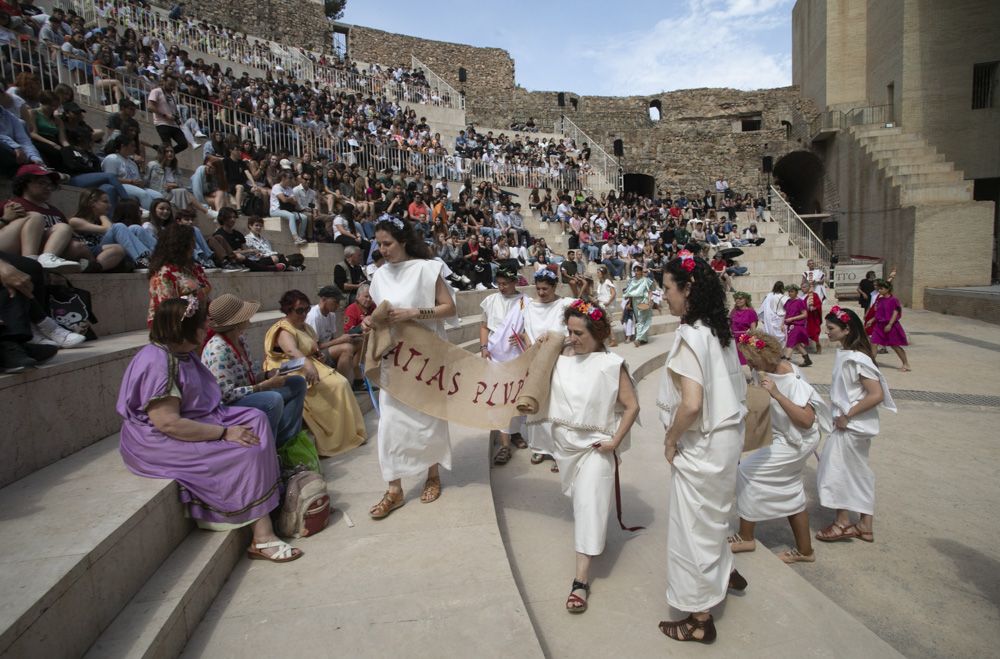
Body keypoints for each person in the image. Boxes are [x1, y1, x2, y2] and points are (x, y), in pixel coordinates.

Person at [117, 297, 301, 563]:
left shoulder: (179, 352)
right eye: (202, 327)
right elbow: (168, 423)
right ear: (184, 330)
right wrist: (224, 433)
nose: (206, 332)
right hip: (157, 439)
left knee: (257, 419)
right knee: (245, 450)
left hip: (198, 417)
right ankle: (262, 536)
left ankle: (267, 493)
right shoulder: (159, 363)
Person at [656, 249, 747, 644]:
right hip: (727, 441)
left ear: (688, 289)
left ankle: (698, 618)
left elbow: (691, 404)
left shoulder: (692, 336)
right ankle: (724, 571)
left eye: (667, 288)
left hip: (704, 444)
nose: (664, 296)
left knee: (692, 531)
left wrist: (671, 439)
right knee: (715, 519)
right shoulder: (717, 330)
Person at [525, 299, 639, 614]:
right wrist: (538, 345)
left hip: (596, 449)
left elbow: (632, 406)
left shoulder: (612, 364)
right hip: (565, 449)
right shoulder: (561, 359)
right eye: (570, 331)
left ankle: (580, 580)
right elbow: (531, 375)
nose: (572, 339)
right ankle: (591, 542)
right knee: (581, 502)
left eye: (579, 333)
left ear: (598, 332)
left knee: (588, 506)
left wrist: (614, 441)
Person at [365, 216, 457, 518]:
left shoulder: (427, 269)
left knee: (428, 417)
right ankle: (394, 489)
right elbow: (378, 313)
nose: (383, 249)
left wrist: (414, 312)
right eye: (379, 244)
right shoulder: (378, 276)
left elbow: (449, 308)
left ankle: (432, 475)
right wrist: (371, 321)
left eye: (388, 243)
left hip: (426, 355)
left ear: (402, 241)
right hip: (396, 357)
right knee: (389, 422)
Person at [728, 330, 831, 564]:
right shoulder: (760, 370)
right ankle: (805, 551)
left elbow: (806, 421)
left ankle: (746, 536)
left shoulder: (792, 378)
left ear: (766, 354)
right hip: (783, 436)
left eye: (752, 358)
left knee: (747, 471)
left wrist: (776, 394)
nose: (749, 363)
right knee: (791, 488)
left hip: (798, 440)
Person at [815, 306, 896, 544]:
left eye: (830, 328)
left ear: (847, 329)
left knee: (836, 472)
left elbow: (875, 394)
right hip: (848, 425)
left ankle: (842, 522)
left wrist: (847, 415)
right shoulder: (849, 355)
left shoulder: (857, 359)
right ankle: (864, 525)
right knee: (855, 472)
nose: (826, 332)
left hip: (851, 426)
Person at [263, 289, 367, 457]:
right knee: (337, 385)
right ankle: (335, 437)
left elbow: (315, 347)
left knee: (341, 383)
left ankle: (348, 433)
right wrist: (308, 364)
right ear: (288, 310)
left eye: (306, 309)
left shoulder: (305, 327)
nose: (304, 313)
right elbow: (292, 351)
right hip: (289, 368)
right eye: (299, 310)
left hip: (310, 363)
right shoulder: (283, 329)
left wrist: (316, 355)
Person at [201, 293, 307, 448]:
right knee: (273, 400)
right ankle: (267, 449)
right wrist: (264, 385)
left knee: (297, 383)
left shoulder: (240, 339)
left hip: (248, 392)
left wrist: (266, 375)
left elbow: (249, 374)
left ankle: (286, 441)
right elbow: (227, 395)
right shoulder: (219, 349)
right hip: (227, 406)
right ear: (237, 322)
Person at [520, 268, 574, 469]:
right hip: (535, 360)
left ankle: (559, 451)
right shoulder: (529, 306)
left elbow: (578, 327)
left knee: (558, 405)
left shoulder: (565, 304)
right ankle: (539, 448)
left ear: (555, 287)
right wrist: (528, 345)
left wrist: (560, 341)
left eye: (545, 289)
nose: (541, 293)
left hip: (559, 360)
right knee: (537, 403)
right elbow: (525, 330)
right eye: (538, 288)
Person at [479, 266, 528, 465]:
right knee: (500, 398)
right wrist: (483, 347)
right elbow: (484, 326)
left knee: (516, 397)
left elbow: (530, 328)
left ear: (514, 282)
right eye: (498, 284)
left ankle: (515, 432)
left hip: (517, 356)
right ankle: (505, 443)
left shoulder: (525, 302)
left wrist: (523, 337)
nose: (501, 287)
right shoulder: (491, 301)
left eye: (505, 284)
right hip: (495, 356)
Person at [68, 188, 154, 271]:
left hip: (106, 248)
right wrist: (103, 215)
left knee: (135, 228)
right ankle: (140, 260)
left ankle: (159, 256)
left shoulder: (100, 220)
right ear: (92, 203)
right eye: (105, 202)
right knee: (118, 226)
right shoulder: (75, 220)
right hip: (92, 251)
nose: (110, 205)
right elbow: (108, 229)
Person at [147, 223, 212, 325]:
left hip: (200, 321)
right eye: (191, 243)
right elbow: (167, 309)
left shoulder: (195, 268)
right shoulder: (164, 273)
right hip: (175, 325)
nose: (194, 246)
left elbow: (206, 298)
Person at [305, 284, 364, 389]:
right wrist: (341, 340)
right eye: (335, 302)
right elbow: (315, 348)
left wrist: (345, 338)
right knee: (346, 348)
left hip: (327, 348)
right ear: (324, 299)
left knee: (359, 341)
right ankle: (343, 387)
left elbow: (331, 338)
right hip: (316, 354)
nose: (337, 305)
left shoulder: (331, 315)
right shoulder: (313, 316)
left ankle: (357, 379)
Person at [868, 280, 911, 372]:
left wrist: (890, 324)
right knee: (873, 343)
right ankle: (871, 364)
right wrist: (872, 320)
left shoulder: (894, 300)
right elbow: (878, 313)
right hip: (879, 325)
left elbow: (895, 312)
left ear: (887, 289)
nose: (879, 290)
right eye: (878, 288)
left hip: (891, 325)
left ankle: (906, 364)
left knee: (895, 345)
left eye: (881, 288)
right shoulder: (880, 299)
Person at [147, 75, 187, 154]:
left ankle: (164, 153)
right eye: (170, 84)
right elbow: (150, 107)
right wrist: (165, 115)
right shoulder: (156, 91)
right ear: (164, 82)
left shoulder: (172, 96)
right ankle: (166, 156)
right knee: (168, 146)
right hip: (162, 123)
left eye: (173, 85)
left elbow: (173, 109)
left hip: (174, 124)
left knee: (183, 144)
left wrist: (176, 115)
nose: (172, 87)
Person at [623, 264, 655, 346]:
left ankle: (638, 339)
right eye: (635, 270)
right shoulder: (632, 281)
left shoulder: (646, 280)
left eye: (638, 270)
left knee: (641, 320)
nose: (636, 272)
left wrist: (650, 300)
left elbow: (650, 291)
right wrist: (629, 303)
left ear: (641, 271)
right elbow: (629, 293)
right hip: (634, 301)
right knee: (639, 319)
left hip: (643, 300)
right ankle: (644, 339)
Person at [783, 284, 812, 367]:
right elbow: (786, 313)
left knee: (791, 342)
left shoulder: (800, 302)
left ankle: (786, 360)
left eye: (792, 291)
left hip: (797, 325)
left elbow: (805, 314)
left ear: (796, 292)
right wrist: (782, 324)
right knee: (797, 344)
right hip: (790, 325)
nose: (790, 293)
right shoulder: (788, 301)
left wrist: (792, 319)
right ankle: (807, 360)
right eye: (789, 291)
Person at [728, 292, 758, 365]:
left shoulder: (751, 312)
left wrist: (753, 343)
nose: (738, 300)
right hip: (733, 339)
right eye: (736, 299)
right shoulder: (733, 311)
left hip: (744, 339)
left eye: (740, 299)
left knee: (747, 360)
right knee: (734, 362)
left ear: (746, 300)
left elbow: (753, 329)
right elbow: (729, 324)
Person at [594, 265, 618, 347]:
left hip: (606, 306)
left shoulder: (607, 281)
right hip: (601, 304)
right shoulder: (600, 283)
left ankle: (613, 340)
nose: (597, 274)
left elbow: (613, 293)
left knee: (607, 323)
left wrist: (608, 302)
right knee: (604, 323)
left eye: (598, 272)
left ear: (602, 273)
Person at [804, 282, 823, 354]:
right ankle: (801, 348)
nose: (803, 289)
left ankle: (818, 346)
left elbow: (819, 304)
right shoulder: (804, 296)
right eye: (802, 287)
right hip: (807, 317)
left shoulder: (814, 295)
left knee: (814, 332)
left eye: (804, 287)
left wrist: (815, 308)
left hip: (813, 317)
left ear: (808, 287)